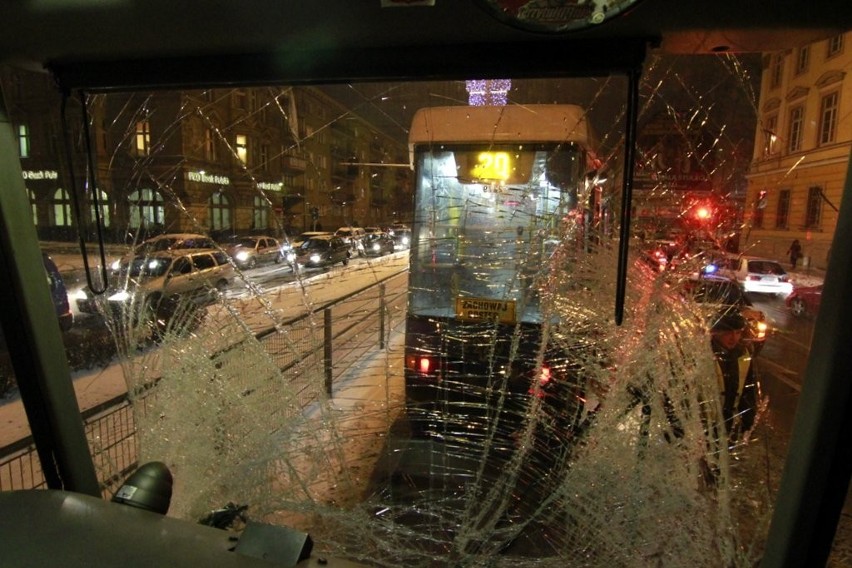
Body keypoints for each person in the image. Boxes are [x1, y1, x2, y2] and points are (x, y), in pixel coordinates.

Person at [710, 312, 758, 444]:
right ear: (717, 332)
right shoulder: (705, 354)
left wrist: (748, 424)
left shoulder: (743, 356)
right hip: (705, 425)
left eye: (737, 333)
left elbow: (748, 392)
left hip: (728, 422)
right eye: (728, 333)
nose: (733, 338)